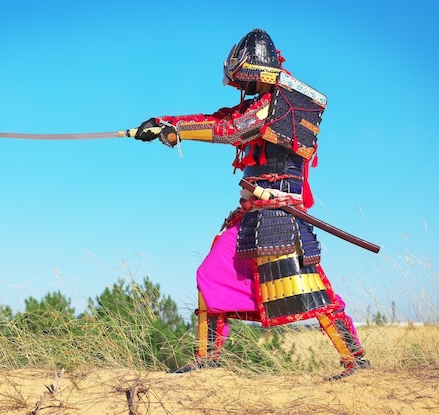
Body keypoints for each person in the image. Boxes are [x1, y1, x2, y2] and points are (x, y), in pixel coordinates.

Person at [134, 28, 369, 380]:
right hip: (250, 216)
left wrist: (176, 131)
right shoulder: (258, 106)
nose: (242, 85)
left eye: (246, 77)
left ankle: (355, 360)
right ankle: (208, 358)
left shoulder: (279, 106)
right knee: (211, 273)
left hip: (278, 214)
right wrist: (166, 123)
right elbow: (220, 120)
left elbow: (233, 130)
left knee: (309, 288)